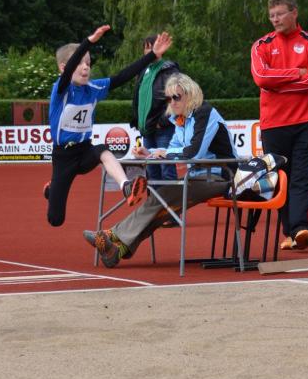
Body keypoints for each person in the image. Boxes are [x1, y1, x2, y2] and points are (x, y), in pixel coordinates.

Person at [83, 73, 236, 267]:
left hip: (223, 176)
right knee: (162, 205)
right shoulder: (179, 119)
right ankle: (117, 250)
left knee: (163, 196)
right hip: (199, 175)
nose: (172, 102)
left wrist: (164, 153)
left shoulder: (204, 112)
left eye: (176, 97)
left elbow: (194, 153)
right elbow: (173, 149)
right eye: (169, 98)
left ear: (190, 94)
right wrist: (150, 153)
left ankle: (111, 234)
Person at [46, 25, 172, 227]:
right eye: (80, 63)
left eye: (88, 63)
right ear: (63, 68)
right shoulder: (62, 90)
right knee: (55, 219)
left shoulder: (93, 88)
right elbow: (70, 70)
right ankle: (51, 189)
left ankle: (126, 187)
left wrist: (152, 56)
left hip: (85, 151)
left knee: (103, 151)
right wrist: (89, 42)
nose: (86, 67)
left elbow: (123, 76)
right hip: (63, 156)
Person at [251, 0, 308, 251]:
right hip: (274, 124)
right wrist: (297, 73)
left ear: (294, 13)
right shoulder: (261, 46)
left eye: (280, 14)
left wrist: (278, 85)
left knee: (305, 177)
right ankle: (291, 232)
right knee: (281, 178)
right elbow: (261, 78)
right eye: (271, 15)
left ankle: (300, 229)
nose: (275, 19)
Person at [130, 34, 179, 181]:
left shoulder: (169, 69)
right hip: (147, 130)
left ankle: (172, 197)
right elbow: (139, 99)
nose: (148, 51)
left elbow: (177, 98)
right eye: (146, 48)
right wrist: (138, 121)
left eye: (151, 47)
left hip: (163, 129)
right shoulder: (143, 71)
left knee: (166, 169)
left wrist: (162, 122)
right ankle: (155, 197)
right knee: (151, 171)